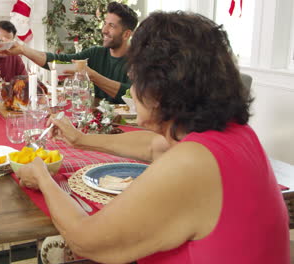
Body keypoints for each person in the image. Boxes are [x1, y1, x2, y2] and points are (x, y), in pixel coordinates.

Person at [16, 11, 289, 263]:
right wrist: (80, 140)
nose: (132, 90)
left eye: (135, 79)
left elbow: (85, 241)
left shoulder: (192, 165)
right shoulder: (234, 134)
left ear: (159, 88)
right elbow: (153, 146)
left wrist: (42, 176)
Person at [5, 1, 138, 104]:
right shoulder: (96, 53)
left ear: (126, 34)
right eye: (105, 23)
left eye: (112, 26)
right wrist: (23, 49)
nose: (104, 30)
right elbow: (56, 60)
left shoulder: (140, 61)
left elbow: (133, 95)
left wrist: (92, 76)